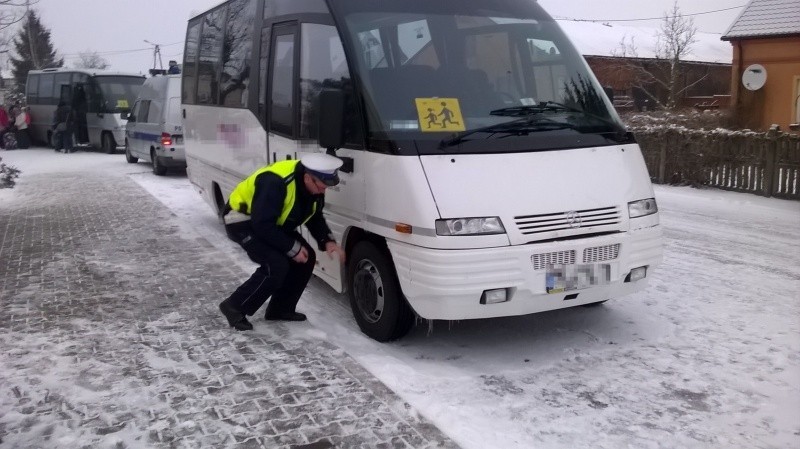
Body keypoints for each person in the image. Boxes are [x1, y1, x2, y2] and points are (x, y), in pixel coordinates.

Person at [218, 153, 347, 331]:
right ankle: (234, 306)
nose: (323, 191)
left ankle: (280, 309)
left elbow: (314, 216)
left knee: (307, 258)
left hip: (271, 222)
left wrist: (328, 241)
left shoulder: (313, 186)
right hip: (241, 221)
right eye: (321, 186)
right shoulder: (275, 182)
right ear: (308, 178)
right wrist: (292, 248)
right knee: (276, 264)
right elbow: (261, 224)